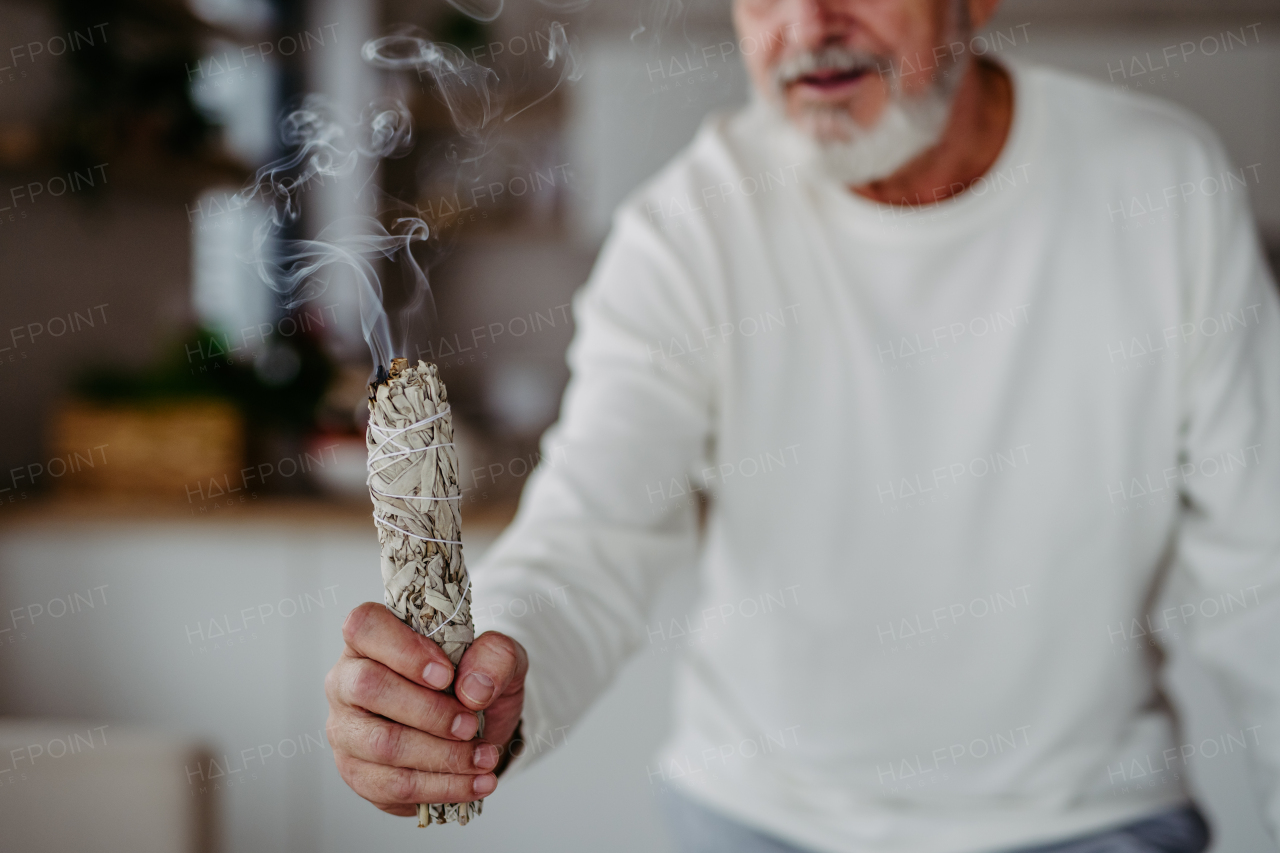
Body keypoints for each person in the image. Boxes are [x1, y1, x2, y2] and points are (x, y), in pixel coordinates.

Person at [324, 0, 1280, 850]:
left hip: (1090, 817)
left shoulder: (1165, 189)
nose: (810, 23)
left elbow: (1263, 569)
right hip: (761, 818)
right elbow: (592, 534)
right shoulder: (690, 229)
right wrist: (484, 693)